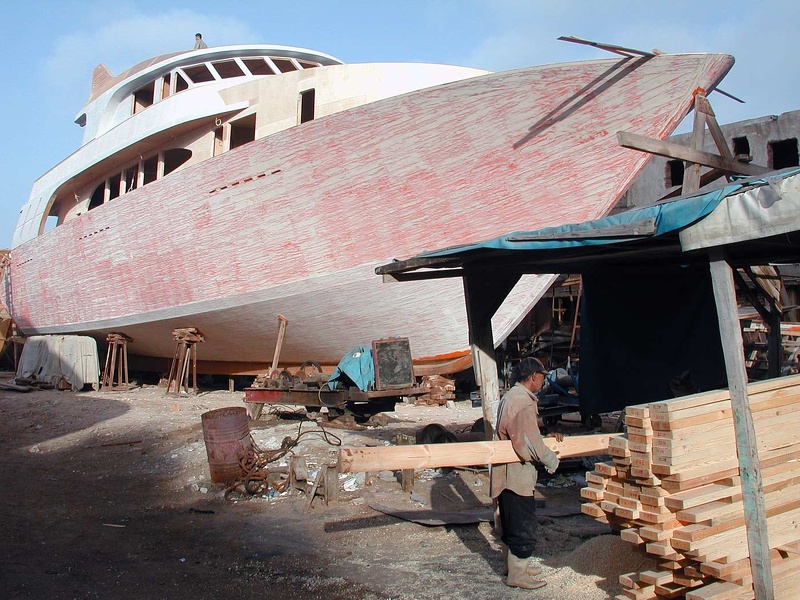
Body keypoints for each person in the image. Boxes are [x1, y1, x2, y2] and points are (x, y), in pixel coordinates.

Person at [491, 357, 561, 589]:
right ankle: (517, 574)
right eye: (542, 376)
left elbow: (526, 432)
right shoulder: (522, 401)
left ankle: (513, 565)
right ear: (534, 377)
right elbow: (528, 443)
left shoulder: (512, 396)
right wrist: (551, 459)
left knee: (511, 521)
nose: (543, 380)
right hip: (515, 474)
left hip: (507, 472)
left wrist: (546, 438)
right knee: (522, 523)